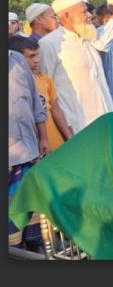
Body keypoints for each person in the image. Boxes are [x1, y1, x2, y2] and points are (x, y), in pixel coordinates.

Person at [39, 0, 113, 133]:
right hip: (78, 127)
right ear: (67, 16)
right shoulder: (49, 44)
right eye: (83, 11)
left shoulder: (89, 37)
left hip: (107, 118)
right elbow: (45, 91)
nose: (89, 15)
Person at [8, 49, 49, 253]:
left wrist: (43, 137)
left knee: (34, 227)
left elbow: (34, 100)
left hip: (29, 152)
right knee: (11, 234)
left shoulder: (16, 59)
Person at [9, 36, 72, 151]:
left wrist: (69, 137)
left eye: (37, 55)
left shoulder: (44, 79)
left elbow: (55, 109)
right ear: (16, 58)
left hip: (57, 145)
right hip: (33, 149)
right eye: (31, 56)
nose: (37, 60)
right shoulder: (13, 86)